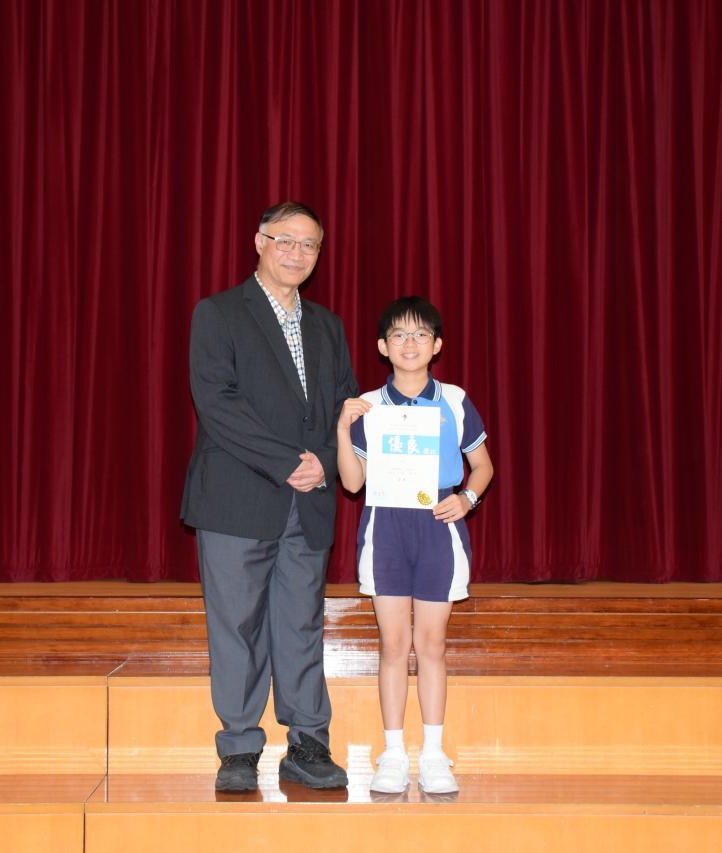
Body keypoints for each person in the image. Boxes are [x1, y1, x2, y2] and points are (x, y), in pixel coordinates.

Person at [181, 202, 359, 793]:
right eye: (286, 240)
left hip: (308, 503)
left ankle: (308, 742)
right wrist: (288, 464)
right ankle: (238, 748)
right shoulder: (219, 314)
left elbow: (346, 406)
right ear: (260, 242)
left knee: (302, 623)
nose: (297, 253)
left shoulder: (328, 326)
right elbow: (218, 403)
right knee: (236, 625)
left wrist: (327, 460)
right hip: (237, 497)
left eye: (310, 245)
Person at [336, 296, 494, 795]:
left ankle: (433, 754)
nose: (410, 343)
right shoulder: (368, 406)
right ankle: (392, 753)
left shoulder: (455, 400)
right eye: (399, 335)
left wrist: (467, 499)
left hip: (437, 530)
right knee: (393, 645)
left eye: (421, 334)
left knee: (431, 645)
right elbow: (353, 483)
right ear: (383, 347)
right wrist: (341, 428)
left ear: (437, 345)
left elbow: (483, 466)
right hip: (386, 529)